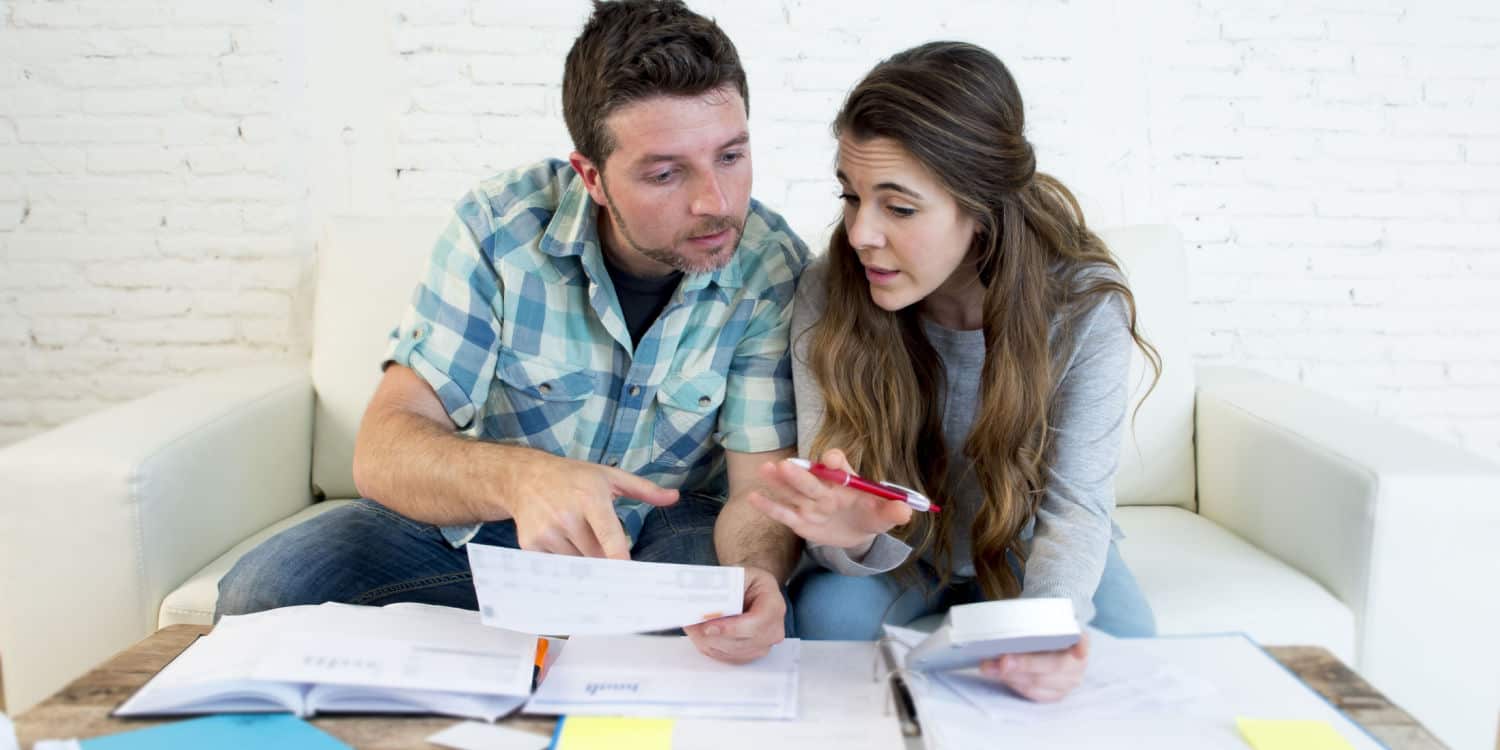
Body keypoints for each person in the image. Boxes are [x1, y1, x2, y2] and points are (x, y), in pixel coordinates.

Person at [217, 0, 808, 665]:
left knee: (734, 626)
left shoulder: (771, 263)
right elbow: (384, 447)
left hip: (673, 532)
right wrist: (522, 479)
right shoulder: (500, 229)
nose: (717, 202)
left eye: (731, 155)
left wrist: (759, 573)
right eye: (665, 173)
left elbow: (759, 485)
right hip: (505, 530)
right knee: (266, 590)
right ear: (592, 178)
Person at [746, 41, 1161, 700]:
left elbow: (1075, 516)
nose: (860, 233)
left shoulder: (1083, 304)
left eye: (899, 207)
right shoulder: (829, 291)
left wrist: (1049, 630)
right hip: (904, 556)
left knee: (1126, 650)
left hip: (1027, 540)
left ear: (981, 207)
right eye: (852, 197)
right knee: (827, 616)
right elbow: (836, 516)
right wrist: (853, 535)